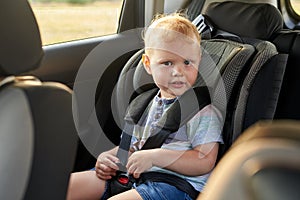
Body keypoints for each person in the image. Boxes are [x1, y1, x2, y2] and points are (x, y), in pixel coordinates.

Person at [67, 13, 223, 200]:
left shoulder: (202, 111)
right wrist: (108, 157)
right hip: (133, 175)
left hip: (173, 185)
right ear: (148, 64)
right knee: (63, 187)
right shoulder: (144, 104)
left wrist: (155, 157)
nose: (178, 71)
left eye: (187, 62)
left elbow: (205, 160)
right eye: (167, 63)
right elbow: (132, 147)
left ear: (199, 60)